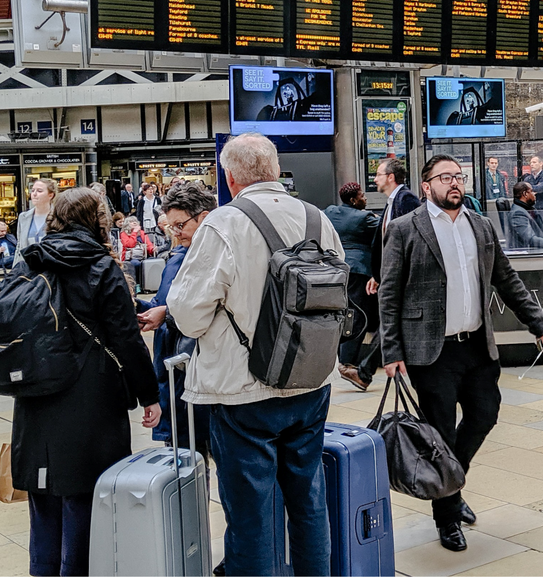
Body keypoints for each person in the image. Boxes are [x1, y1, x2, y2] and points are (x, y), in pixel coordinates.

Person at [167, 133, 343, 577]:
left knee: (250, 516)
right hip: (310, 381)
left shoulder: (223, 223)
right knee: (309, 503)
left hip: (243, 392)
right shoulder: (318, 219)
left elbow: (187, 315)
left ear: (229, 177)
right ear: (275, 168)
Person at [379, 154, 543, 552]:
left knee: (484, 414)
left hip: (477, 346)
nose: (454, 183)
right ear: (427, 186)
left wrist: (539, 324)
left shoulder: (480, 225)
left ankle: (450, 483)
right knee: (440, 433)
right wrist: (391, 350)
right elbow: (389, 294)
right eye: (445, 177)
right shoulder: (406, 228)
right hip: (431, 352)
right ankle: (447, 516)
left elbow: (506, 279)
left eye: (459, 176)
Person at [9, 188, 161, 577]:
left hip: (36, 391)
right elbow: (125, 338)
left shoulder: (30, 260)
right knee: (86, 492)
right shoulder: (101, 266)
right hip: (90, 393)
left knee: (44, 492)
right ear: (97, 220)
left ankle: (43, 570)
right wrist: (149, 394)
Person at [136, 182, 216, 454]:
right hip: (173, 369)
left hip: (202, 372)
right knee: (183, 460)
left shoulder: (217, 257)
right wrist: (143, 308)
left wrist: (165, 314)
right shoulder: (178, 254)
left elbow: (213, 309)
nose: (176, 232)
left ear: (203, 217)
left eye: (180, 225)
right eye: (171, 226)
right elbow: (164, 301)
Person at [325, 182, 383, 391]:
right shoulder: (365, 218)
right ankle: (347, 362)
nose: (365, 199)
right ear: (353, 200)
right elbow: (385, 231)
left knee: (346, 313)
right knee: (357, 316)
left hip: (337, 268)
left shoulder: (330, 212)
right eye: (362, 196)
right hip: (360, 270)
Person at [375, 157, 420, 237]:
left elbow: (411, 234)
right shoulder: (392, 200)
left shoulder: (406, 198)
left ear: (390, 177)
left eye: (379, 175)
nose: (375, 179)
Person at [18, 178, 58, 251]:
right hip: (27, 261)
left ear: (50, 195)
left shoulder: (58, 216)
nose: (34, 194)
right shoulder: (23, 217)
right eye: (33, 190)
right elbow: (19, 246)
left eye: (39, 191)